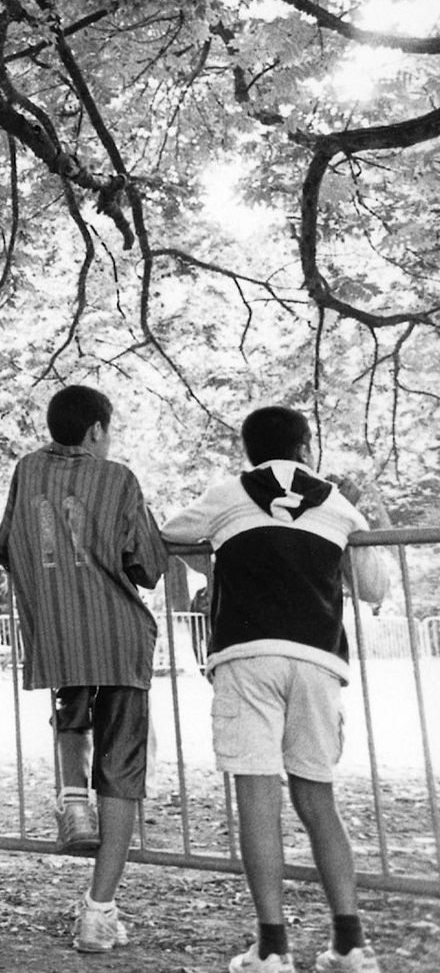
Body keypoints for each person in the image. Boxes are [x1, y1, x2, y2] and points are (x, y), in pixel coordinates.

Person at [161, 407, 390, 973]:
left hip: (247, 655)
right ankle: (350, 943)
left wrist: (220, 553)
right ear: (305, 448)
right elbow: (373, 587)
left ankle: (271, 947)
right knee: (318, 799)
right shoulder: (339, 505)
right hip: (316, 659)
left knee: (257, 800)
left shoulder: (227, 494)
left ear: (248, 450)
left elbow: (170, 534)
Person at [0, 385, 168, 953]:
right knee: (121, 770)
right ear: (97, 430)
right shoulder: (117, 477)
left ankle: (73, 801)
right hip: (118, 639)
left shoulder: (26, 471)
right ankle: (99, 911)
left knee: (71, 709)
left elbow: (5, 545)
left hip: (59, 632)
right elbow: (148, 566)